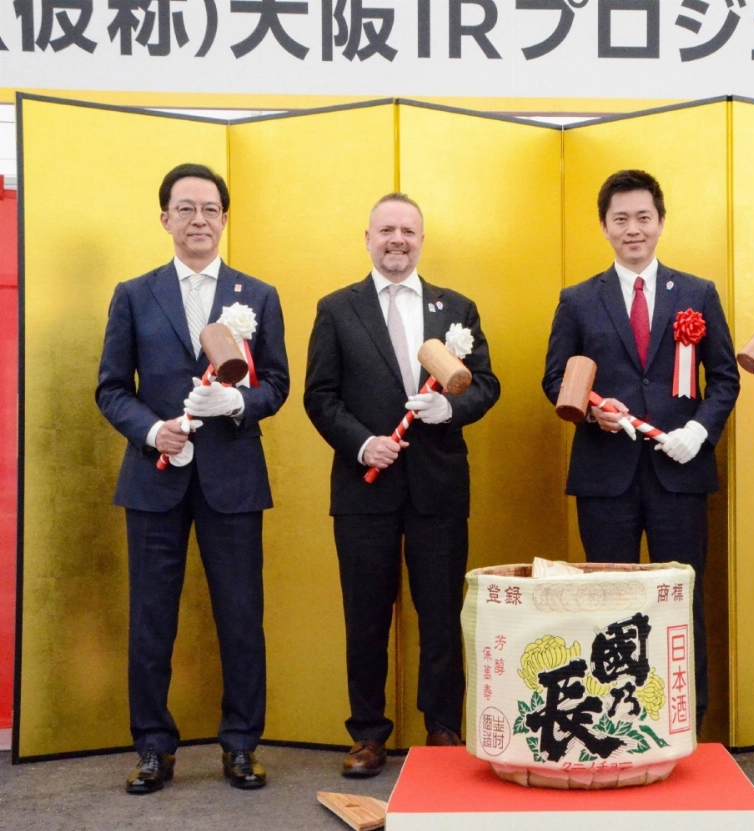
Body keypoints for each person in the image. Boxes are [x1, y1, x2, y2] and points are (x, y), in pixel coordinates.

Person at [96, 163, 289, 794]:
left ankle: (240, 745)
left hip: (232, 479)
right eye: (185, 208)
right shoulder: (134, 293)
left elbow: (277, 386)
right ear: (165, 219)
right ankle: (153, 746)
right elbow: (112, 388)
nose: (198, 219)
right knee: (151, 618)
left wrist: (236, 404)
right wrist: (154, 431)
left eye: (210, 209)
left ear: (225, 219)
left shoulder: (256, 295)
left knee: (241, 616)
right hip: (154, 480)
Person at [303, 193, 500, 777]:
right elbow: (320, 395)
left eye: (407, 231)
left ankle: (442, 727)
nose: (397, 240)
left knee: (441, 613)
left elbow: (486, 384)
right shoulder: (337, 308)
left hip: (438, 489)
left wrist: (450, 413)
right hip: (365, 488)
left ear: (421, 239)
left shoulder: (456, 308)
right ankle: (367, 734)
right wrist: (364, 442)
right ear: (366, 237)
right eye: (386, 230)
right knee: (366, 616)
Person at [541, 169, 740, 733]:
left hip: (680, 472)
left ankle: (686, 721)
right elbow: (556, 377)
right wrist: (591, 412)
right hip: (606, 477)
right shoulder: (578, 299)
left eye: (643, 217)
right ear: (604, 226)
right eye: (621, 219)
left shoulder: (697, 293)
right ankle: (610, 722)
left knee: (680, 601)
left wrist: (699, 433)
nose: (633, 229)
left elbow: (724, 379)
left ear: (661, 222)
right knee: (608, 601)